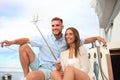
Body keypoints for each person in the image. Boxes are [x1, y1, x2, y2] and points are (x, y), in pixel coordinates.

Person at [0, 17, 106, 80]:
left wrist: (96, 37)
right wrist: (11, 42)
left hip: (53, 69)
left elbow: (85, 40)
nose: (55, 28)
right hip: (40, 64)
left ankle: (30, 77)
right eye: (53, 26)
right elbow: (26, 39)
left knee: (33, 77)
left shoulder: (68, 39)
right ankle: (25, 76)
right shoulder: (44, 38)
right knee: (23, 46)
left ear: (62, 27)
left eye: (57, 25)